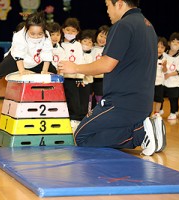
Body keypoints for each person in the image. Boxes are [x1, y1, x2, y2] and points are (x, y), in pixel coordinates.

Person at [58, 0, 164, 156]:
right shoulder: (148, 25)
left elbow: (107, 64)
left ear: (119, 4)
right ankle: (146, 128)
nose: (107, 11)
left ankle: (141, 134)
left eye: (108, 5)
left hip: (121, 103)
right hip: (141, 102)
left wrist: (75, 68)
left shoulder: (124, 25)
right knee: (97, 131)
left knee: (81, 136)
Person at [0, 12, 57, 95]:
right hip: (16, 60)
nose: (36, 36)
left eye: (40, 34)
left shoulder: (46, 36)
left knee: (53, 72)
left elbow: (47, 53)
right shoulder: (19, 36)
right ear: (27, 29)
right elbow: (19, 56)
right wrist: (22, 71)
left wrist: (45, 71)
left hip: (35, 60)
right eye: (33, 34)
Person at [60, 17, 85, 132]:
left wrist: (80, 77)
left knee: (73, 100)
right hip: (59, 78)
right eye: (68, 30)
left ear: (77, 32)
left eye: (73, 31)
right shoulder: (58, 44)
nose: (70, 33)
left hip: (72, 78)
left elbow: (80, 61)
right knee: (60, 100)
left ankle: (75, 121)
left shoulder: (78, 45)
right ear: (63, 29)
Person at [163, 32, 179, 120]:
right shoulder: (164, 54)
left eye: (178, 42)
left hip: (174, 81)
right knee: (162, 97)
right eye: (173, 41)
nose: (175, 44)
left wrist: (169, 75)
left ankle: (173, 112)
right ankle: (159, 111)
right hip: (163, 81)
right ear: (169, 43)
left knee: (173, 98)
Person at [90, 25, 110, 108]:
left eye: (105, 37)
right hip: (89, 79)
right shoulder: (90, 47)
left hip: (101, 80)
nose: (102, 39)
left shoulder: (108, 50)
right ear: (97, 35)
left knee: (100, 101)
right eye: (101, 36)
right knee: (89, 101)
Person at [77, 29, 95, 116]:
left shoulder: (91, 56)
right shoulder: (76, 54)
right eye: (84, 41)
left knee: (85, 103)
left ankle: (84, 119)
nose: (86, 44)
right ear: (79, 41)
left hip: (87, 83)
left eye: (89, 42)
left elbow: (91, 70)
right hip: (76, 81)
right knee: (76, 102)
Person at [152, 37, 168, 117]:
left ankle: (157, 112)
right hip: (150, 82)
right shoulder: (151, 56)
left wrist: (164, 66)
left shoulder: (165, 58)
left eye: (162, 47)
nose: (160, 49)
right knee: (150, 99)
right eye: (157, 47)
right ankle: (148, 112)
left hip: (160, 82)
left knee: (158, 99)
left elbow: (165, 71)